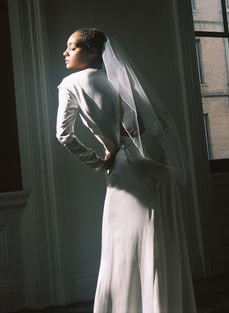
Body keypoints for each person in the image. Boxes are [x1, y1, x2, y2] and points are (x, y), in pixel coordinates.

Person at [56, 28, 197, 313]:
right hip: (155, 163)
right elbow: (150, 125)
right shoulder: (122, 78)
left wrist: (100, 160)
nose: (65, 52)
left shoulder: (71, 83)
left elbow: (63, 135)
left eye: (72, 47)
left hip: (127, 168)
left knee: (123, 244)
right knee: (157, 238)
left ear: (94, 51)